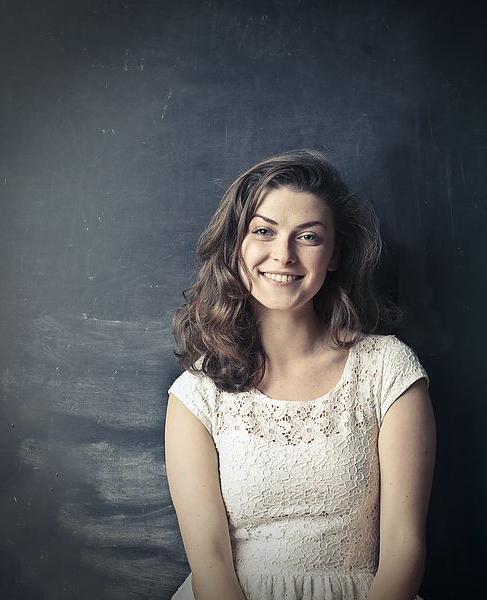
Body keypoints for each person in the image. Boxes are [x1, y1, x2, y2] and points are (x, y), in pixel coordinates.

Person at [165, 149, 436, 600]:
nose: (283, 254)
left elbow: (405, 549)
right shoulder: (196, 394)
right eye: (263, 231)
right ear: (236, 245)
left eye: (308, 237)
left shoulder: (388, 369)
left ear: (333, 255)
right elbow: (209, 562)